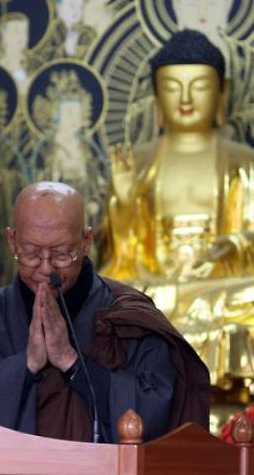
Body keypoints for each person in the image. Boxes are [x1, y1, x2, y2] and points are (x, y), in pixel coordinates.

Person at [0, 181, 209, 443]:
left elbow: (159, 410)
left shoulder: (127, 315)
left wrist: (71, 362)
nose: (46, 268)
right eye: (31, 253)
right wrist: (26, 365)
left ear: (86, 241)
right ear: (12, 241)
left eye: (62, 253)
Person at [99, 30, 254, 397]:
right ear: (156, 96)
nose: (185, 98)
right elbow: (118, 259)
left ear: (222, 93)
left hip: (218, 284)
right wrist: (124, 204)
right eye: (172, 87)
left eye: (199, 86)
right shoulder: (137, 162)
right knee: (108, 297)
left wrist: (231, 247)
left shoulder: (243, 161)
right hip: (154, 284)